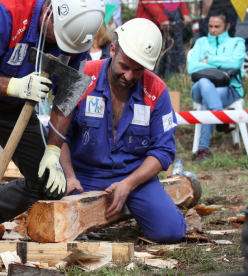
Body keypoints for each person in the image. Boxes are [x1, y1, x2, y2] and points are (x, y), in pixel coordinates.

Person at [0, 0, 105, 274]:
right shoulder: (5, 11)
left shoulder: (77, 34)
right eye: (57, 38)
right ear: (49, 10)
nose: (61, 47)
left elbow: (67, 98)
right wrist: (15, 85)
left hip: (13, 102)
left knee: (48, 183)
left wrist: (52, 151)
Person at [61, 18, 186, 244]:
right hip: (82, 175)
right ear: (112, 50)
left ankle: (137, 204)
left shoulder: (156, 90)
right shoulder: (82, 77)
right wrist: (68, 176)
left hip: (134, 176)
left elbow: (164, 151)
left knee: (170, 232)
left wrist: (128, 184)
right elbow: (59, 136)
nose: (129, 76)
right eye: (124, 66)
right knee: (58, 228)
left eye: (138, 70)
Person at [187, 9, 245, 163]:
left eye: (217, 26)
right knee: (205, 84)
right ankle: (222, 120)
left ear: (227, 26)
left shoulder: (237, 42)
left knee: (207, 94)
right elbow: (191, 68)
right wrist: (221, 64)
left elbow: (236, 63)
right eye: (210, 26)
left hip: (229, 89)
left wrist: (209, 60)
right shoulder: (201, 42)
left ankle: (202, 149)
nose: (212, 30)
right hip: (199, 89)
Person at [136, 0, 191, 78]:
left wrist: (185, 13)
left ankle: (170, 77)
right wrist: (162, 18)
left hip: (166, 23)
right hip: (150, 25)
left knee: (169, 51)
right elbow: (149, 3)